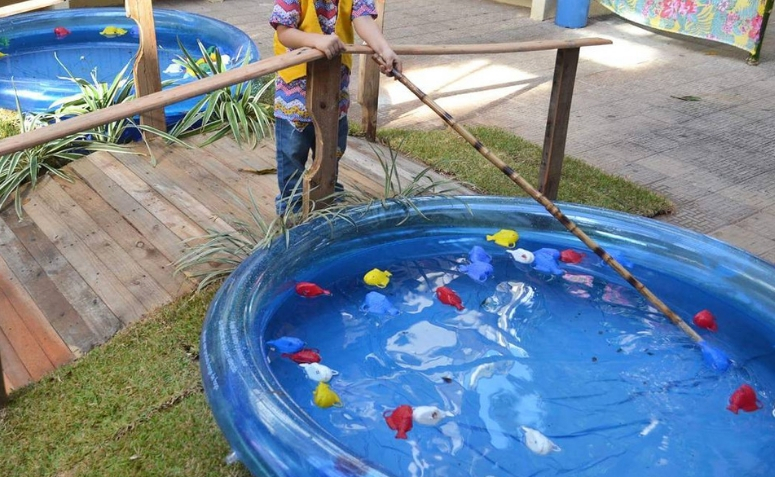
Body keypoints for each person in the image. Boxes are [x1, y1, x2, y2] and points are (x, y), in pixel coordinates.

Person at [270, 0, 402, 215]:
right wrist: (316, 41)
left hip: (334, 92)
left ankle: (329, 198)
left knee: (332, 150)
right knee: (292, 154)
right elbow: (284, 31)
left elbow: (363, 18)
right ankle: (291, 209)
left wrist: (384, 49)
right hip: (295, 95)